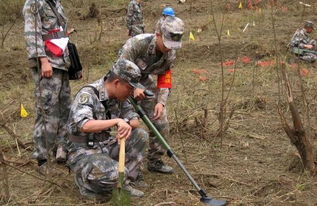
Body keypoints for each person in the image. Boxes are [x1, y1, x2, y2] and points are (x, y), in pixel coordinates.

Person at [67, 59, 149, 199]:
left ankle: (124, 182)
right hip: (84, 150)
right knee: (115, 173)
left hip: (105, 145)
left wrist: (125, 124)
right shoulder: (88, 94)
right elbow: (85, 125)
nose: (131, 92)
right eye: (130, 88)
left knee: (140, 135)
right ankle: (86, 184)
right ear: (117, 83)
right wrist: (117, 121)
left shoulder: (119, 96)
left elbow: (134, 121)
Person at [118, 16, 184, 174]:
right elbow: (119, 67)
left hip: (143, 81)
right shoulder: (137, 43)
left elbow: (165, 77)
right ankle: (127, 165)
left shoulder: (170, 53)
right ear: (158, 34)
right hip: (121, 82)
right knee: (130, 123)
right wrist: (133, 87)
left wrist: (160, 102)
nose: (169, 48)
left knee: (160, 120)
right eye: (167, 43)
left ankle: (155, 160)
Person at [23, 0, 71, 173]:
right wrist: (42, 60)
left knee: (65, 109)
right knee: (47, 112)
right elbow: (32, 33)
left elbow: (55, 31)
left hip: (61, 64)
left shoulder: (56, 3)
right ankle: (43, 159)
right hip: (48, 65)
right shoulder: (35, 2)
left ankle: (61, 150)